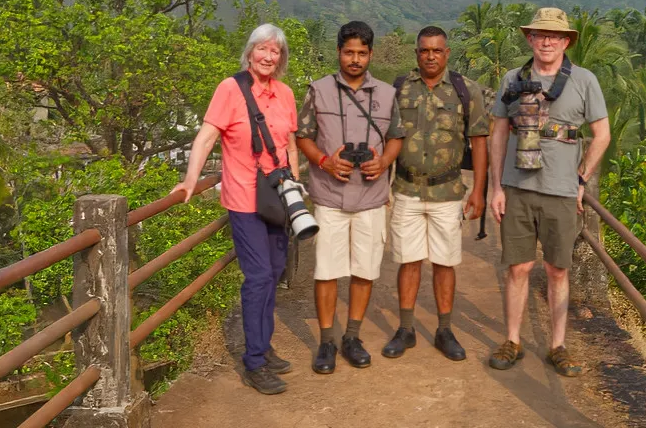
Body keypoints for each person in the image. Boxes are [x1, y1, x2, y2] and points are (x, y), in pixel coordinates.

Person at [172, 23, 299, 395]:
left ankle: (264, 344)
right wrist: (191, 179)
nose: (268, 56)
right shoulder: (231, 89)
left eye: (275, 51)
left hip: (277, 197)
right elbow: (206, 138)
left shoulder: (286, 94)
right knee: (258, 276)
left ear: (281, 58)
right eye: (262, 48)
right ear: (250, 52)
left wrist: (294, 188)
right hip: (244, 199)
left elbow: (289, 145)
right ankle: (254, 362)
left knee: (274, 272)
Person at [488, 7, 610, 377]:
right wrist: (496, 187)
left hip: (560, 190)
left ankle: (557, 345)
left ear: (566, 41)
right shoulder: (513, 78)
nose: (547, 41)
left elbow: (602, 135)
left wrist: (581, 179)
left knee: (557, 269)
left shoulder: (584, 80)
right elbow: (498, 132)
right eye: (540, 35)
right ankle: (512, 340)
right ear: (530, 39)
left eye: (555, 36)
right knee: (518, 267)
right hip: (518, 187)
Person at [296, 20, 405, 374]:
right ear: (338, 52)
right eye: (348, 52)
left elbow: (396, 136)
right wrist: (324, 162)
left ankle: (352, 337)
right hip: (330, 195)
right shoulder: (318, 90)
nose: (355, 59)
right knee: (327, 271)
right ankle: (327, 341)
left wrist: (384, 162)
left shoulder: (387, 94)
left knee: (365, 269)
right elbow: (303, 135)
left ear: (371, 54)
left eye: (361, 53)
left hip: (371, 196)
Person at [381, 25, 489, 362]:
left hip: (448, 190)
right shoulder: (399, 88)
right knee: (408, 260)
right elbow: (386, 137)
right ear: (417, 53)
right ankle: (406, 328)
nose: (431, 56)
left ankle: (444, 330)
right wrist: (382, 184)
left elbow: (479, 142)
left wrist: (479, 191)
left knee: (445, 262)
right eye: (425, 50)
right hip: (407, 188)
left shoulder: (465, 90)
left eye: (437, 50)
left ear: (447, 53)